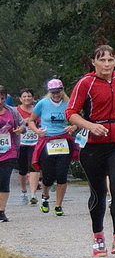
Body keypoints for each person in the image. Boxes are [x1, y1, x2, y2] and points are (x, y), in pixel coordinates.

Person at [67, 46, 115, 256]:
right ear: (94, 63)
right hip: (94, 145)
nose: (106, 64)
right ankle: (98, 237)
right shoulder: (86, 83)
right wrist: (89, 125)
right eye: (102, 60)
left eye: (110, 60)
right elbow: (71, 112)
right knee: (97, 191)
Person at [33, 80, 74, 217]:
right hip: (48, 141)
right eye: (53, 92)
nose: (56, 95)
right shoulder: (42, 104)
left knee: (62, 174)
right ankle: (45, 197)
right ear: (49, 92)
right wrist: (37, 131)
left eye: (58, 91)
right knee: (48, 175)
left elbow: (77, 120)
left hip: (63, 141)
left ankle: (58, 205)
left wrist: (73, 127)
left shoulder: (68, 104)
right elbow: (30, 120)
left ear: (62, 90)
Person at [16, 89, 40, 205]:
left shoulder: (37, 109)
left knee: (34, 166)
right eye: (24, 96)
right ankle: (24, 191)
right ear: (20, 99)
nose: (27, 98)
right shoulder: (16, 111)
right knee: (22, 170)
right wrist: (22, 123)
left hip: (35, 142)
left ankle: (33, 194)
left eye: (29, 96)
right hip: (21, 143)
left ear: (33, 98)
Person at [0, 87, 20, 223]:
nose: (0, 101)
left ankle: (1, 211)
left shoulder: (12, 111)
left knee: (4, 180)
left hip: (9, 151)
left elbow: (22, 125)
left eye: (2, 98)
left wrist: (20, 129)